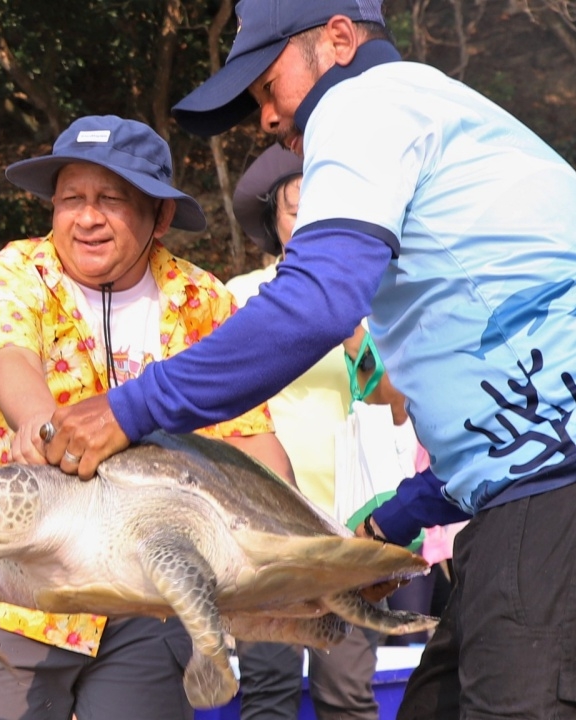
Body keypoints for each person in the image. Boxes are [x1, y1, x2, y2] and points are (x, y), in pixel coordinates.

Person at [40, 3, 576, 718]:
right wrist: (382, 532)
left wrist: (130, 407)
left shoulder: (364, 104)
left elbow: (315, 303)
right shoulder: (430, 113)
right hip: (539, 499)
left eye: (269, 87)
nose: (266, 119)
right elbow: (494, 398)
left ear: (338, 38)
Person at [0, 114, 293, 720]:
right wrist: (45, 428)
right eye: (70, 198)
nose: (87, 217)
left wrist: (298, 553)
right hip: (17, 588)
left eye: (111, 199)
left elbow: (250, 438)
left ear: (161, 215)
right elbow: (11, 361)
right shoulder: (14, 273)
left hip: (148, 599)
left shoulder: (203, 300)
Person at [226, 144, 380, 719]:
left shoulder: (364, 303)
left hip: (348, 523)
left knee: (347, 692)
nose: (310, 221)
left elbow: (390, 399)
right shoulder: (237, 296)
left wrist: (351, 332)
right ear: (274, 221)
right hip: (264, 524)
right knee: (268, 691)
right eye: (297, 210)